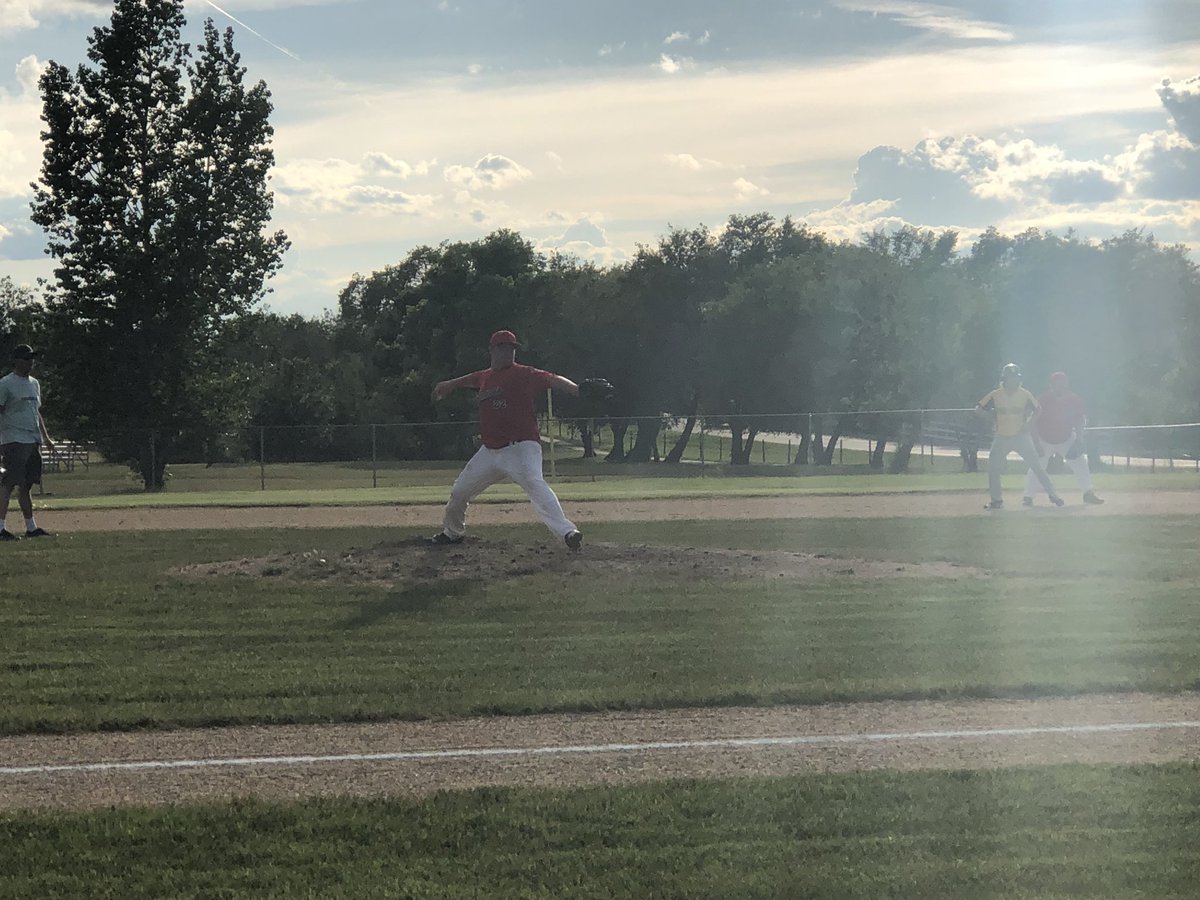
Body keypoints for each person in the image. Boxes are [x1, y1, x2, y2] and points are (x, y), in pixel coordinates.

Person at [430, 330, 584, 549]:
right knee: (459, 492)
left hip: (521, 447)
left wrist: (577, 390)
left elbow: (553, 379)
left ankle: (568, 533)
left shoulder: (524, 373)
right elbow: (469, 379)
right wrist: (449, 384)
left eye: (512, 348)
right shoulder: (485, 377)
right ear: (492, 350)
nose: (509, 352)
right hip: (490, 451)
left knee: (535, 485)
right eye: (503, 347)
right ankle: (453, 533)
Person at [976, 363, 1063, 510]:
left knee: (1037, 466)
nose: (1013, 380)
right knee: (993, 468)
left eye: (1016, 377)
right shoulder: (995, 394)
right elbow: (978, 408)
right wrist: (989, 417)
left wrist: (1029, 424)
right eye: (1010, 377)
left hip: (1021, 437)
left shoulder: (1025, 394)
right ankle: (996, 500)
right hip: (1001, 437)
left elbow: (1038, 410)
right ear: (1004, 379)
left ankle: (1053, 494)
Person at [1022, 371, 1103, 506]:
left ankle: (1088, 493)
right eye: (1057, 384)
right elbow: (1033, 423)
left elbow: (1079, 420)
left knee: (1081, 462)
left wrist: (1079, 439)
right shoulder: (1043, 399)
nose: (1060, 387)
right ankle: (1028, 496)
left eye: (1062, 385)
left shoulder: (1074, 399)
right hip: (1044, 438)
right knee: (1037, 466)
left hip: (1066, 438)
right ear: (1051, 385)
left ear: (1067, 385)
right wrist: (1036, 443)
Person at [0, 344, 55, 540]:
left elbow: (36, 412)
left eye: (32, 358)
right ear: (16, 360)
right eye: (26, 358)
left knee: (27, 484)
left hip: (32, 440)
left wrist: (46, 437)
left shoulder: (34, 383)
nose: (30, 362)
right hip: (14, 439)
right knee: (9, 483)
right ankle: (0, 528)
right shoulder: (6, 384)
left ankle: (31, 528)